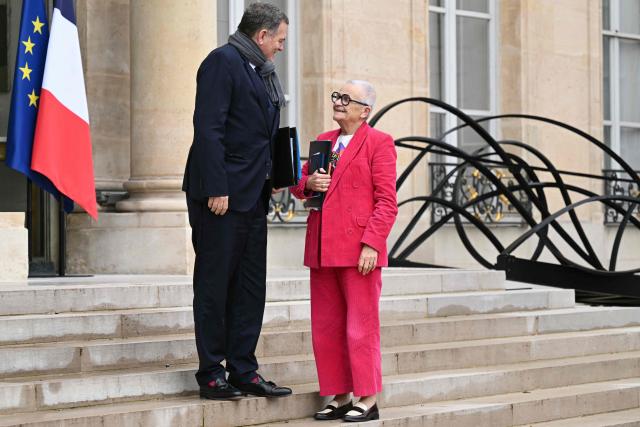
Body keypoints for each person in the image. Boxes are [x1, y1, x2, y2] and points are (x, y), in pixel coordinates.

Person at [182, 2, 292, 400]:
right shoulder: (222, 62)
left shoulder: (261, 72)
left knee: (250, 286)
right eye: (279, 40)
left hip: (253, 194)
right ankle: (211, 372)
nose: (281, 47)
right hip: (221, 197)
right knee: (214, 285)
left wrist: (276, 175)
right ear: (261, 35)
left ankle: (244, 368)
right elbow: (208, 128)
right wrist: (216, 187)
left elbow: (259, 134)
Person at [290, 80, 398, 422]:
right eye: (337, 97)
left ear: (365, 111)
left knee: (360, 327)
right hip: (322, 248)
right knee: (327, 326)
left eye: (346, 99)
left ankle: (368, 397)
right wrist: (308, 184)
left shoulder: (379, 143)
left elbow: (387, 202)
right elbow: (299, 183)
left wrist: (371, 244)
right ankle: (340, 395)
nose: (338, 102)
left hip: (358, 252)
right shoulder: (324, 140)